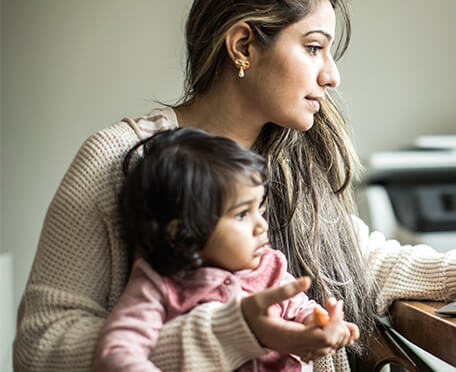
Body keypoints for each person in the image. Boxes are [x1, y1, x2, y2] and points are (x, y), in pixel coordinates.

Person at [13, 0, 456, 371]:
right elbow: (42, 346)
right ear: (242, 46)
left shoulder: (292, 157)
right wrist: (231, 334)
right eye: (313, 48)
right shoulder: (117, 161)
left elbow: (358, 258)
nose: (331, 76)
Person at [92, 127, 358, 372]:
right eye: (242, 214)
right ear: (181, 233)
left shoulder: (269, 268)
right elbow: (116, 352)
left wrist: (317, 324)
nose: (261, 226)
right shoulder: (159, 284)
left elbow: (300, 310)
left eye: (260, 209)